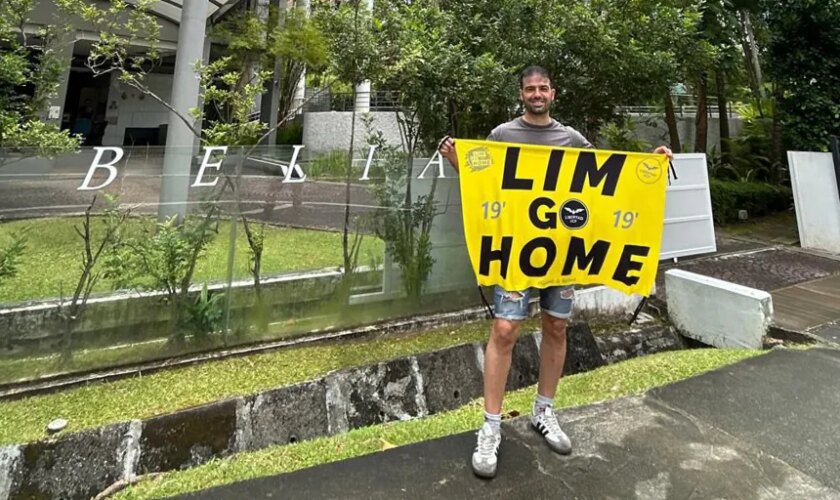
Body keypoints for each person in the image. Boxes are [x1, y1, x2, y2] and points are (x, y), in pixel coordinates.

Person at [438, 65, 673, 479]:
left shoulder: (572, 139)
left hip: (562, 255)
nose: (536, 93)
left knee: (557, 327)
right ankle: (491, 427)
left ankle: (544, 410)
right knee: (504, 331)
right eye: (529, 88)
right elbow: (483, 183)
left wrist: (648, 170)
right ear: (521, 94)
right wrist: (457, 161)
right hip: (516, 255)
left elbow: (606, 185)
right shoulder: (502, 136)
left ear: (553, 93)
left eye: (542, 87)